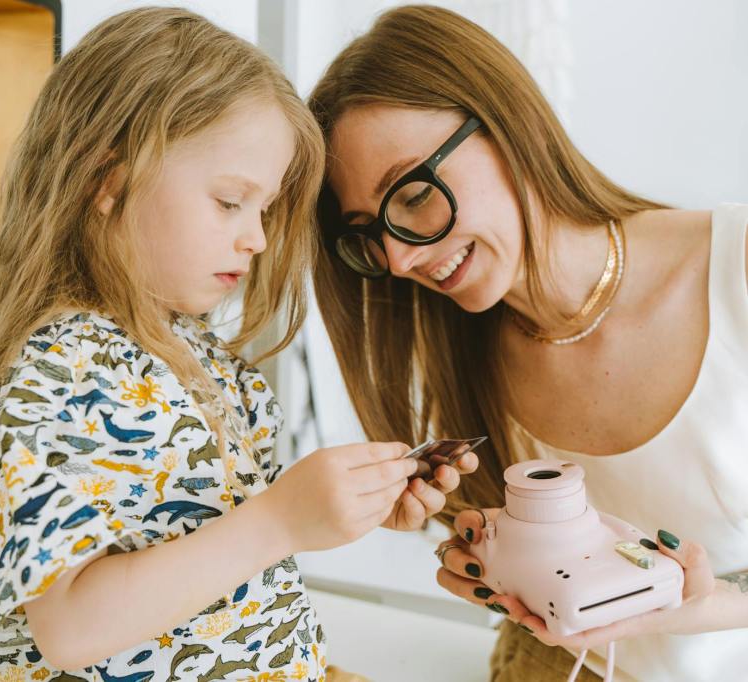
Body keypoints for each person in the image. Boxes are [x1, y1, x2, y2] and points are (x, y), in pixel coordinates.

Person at [0, 8, 476, 681]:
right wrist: (280, 522)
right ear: (105, 179)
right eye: (231, 201)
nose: (255, 237)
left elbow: (196, 551)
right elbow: (72, 627)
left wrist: (333, 512)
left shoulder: (182, 353)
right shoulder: (66, 364)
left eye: (264, 210)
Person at [308, 5, 748, 681]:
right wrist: (489, 558)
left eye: (413, 195)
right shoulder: (461, 345)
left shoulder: (732, 266)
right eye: (367, 232)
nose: (397, 260)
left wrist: (710, 604)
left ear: (506, 126)